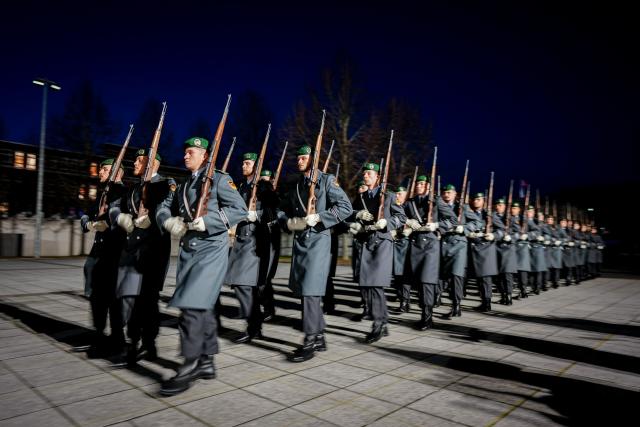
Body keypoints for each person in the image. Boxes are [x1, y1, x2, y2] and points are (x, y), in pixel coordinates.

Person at [156, 136, 247, 396]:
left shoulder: (218, 179)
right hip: (189, 253)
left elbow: (238, 209)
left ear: (205, 155)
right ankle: (207, 358)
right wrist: (168, 221)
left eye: (190, 152)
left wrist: (209, 222)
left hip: (211, 252)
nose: (185, 156)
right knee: (202, 305)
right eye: (184, 152)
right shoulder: (185, 185)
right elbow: (164, 206)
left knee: (192, 305)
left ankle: (190, 362)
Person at [279, 144, 352, 362]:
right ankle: (319, 335)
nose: (299, 161)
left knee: (311, 292)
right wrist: (288, 221)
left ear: (314, 159)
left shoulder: (327, 181)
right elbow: (284, 209)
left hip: (319, 243)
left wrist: (320, 217)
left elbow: (345, 207)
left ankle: (310, 340)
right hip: (301, 243)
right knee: (305, 291)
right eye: (298, 157)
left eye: (303, 158)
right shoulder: (299, 184)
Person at [111, 149, 173, 367]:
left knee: (147, 299)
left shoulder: (166, 183)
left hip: (154, 251)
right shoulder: (133, 188)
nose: (134, 163)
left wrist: (151, 216)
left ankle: (145, 343)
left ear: (152, 163)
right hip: (132, 249)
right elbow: (117, 208)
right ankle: (135, 340)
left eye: (140, 160)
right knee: (128, 297)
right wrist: (121, 217)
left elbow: (166, 205)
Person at [224, 153, 277, 344]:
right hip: (240, 240)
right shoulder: (240, 186)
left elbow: (273, 213)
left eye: (247, 163)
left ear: (256, 166)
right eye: (243, 162)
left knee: (244, 285)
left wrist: (257, 214)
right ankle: (255, 325)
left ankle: (253, 325)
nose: (243, 165)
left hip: (255, 241)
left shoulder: (263, 187)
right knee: (240, 285)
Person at [77, 158, 127, 357]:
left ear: (117, 173)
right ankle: (99, 336)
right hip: (98, 253)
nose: (100, 172)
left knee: (113, 299)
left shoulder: (124, 193)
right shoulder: (102, 194)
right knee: (97, 298)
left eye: (104, 169)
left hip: (114, 253)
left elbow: (122, 220)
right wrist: (88, 223)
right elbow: (86, 215)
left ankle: (118, 340)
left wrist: (107, 223)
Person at [403, 176, 443, 329]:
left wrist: (436, 225)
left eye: (422, 183)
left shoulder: (436, 201)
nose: (419, 186)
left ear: (428, 186)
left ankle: (427, 318)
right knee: (419, 283)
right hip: (415, 245)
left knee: (427, 282)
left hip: (430, 247)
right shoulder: (411, 202)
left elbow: (452, 220)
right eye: (417, 183)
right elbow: (400, 216)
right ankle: (424, 314)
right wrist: (406, 224)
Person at [438, 184, 479, 318]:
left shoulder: (463, 207)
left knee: (456, 276)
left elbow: (478, 223)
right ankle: (435, 300)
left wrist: (464, 228)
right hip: (443, 244)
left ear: (455, 194)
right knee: (441, 276)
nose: (446, 195)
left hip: (459, 244)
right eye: (444, 192)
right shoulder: (438, 207)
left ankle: (456, 306)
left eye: (449, 192)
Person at [466, 193, 499, 312]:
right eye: (474, 199)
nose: (476, 201)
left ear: (483, 201)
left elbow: (502, 229)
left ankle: (487, 302)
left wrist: (493, 235)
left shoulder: (489, 215)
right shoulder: (469, 213)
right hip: (474, 248)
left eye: (478, 199)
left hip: (486, 248)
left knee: (486, 278)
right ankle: (483, 300)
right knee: (479, 278)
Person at [493, 198, 517, 305]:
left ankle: (508, 296)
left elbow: (518, 232)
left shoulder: (511, 218)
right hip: (496, 248)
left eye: (501, 205)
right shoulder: (492, 216)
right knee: (497, 276)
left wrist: (511, 237)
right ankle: (503, 295)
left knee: (507, 275)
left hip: (508, 248)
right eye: (498, 205)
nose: (499, 207)